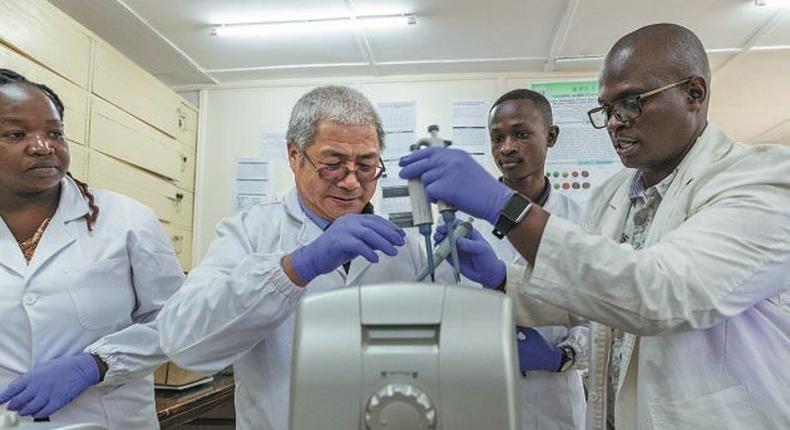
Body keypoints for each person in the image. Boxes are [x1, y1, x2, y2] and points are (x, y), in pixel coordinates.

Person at [399, 24, 790, 429]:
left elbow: (662, 293)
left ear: (694, 93)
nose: (615, 123)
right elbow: (590, 296)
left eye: (631, 102)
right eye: (606, 110)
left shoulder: (762, 179)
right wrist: (504, 281)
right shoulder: (613, 195)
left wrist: (507, 207)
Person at [158, 86, 477, 430]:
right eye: (333, 165)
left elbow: (455, 350)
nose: (352, 183)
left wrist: (487, 282)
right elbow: (184, 343)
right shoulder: (249, 233)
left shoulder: (408, 247)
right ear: (294, 156)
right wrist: (296, 267)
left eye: (366, 165)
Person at [0, 69, 184, 428]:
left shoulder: (127, 221)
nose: (43, 146)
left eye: (55, 133)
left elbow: (179, 321)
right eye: (16, 134)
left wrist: (98, 363)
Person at [486, 89, 587, 430]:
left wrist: (562, 357)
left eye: (521, 133)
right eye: (497, 137)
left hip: (555, 398)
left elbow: (603, 315)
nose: (507, 147)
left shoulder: (582, 222)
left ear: (551, 136)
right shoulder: (468, 224)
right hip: (483, 393)